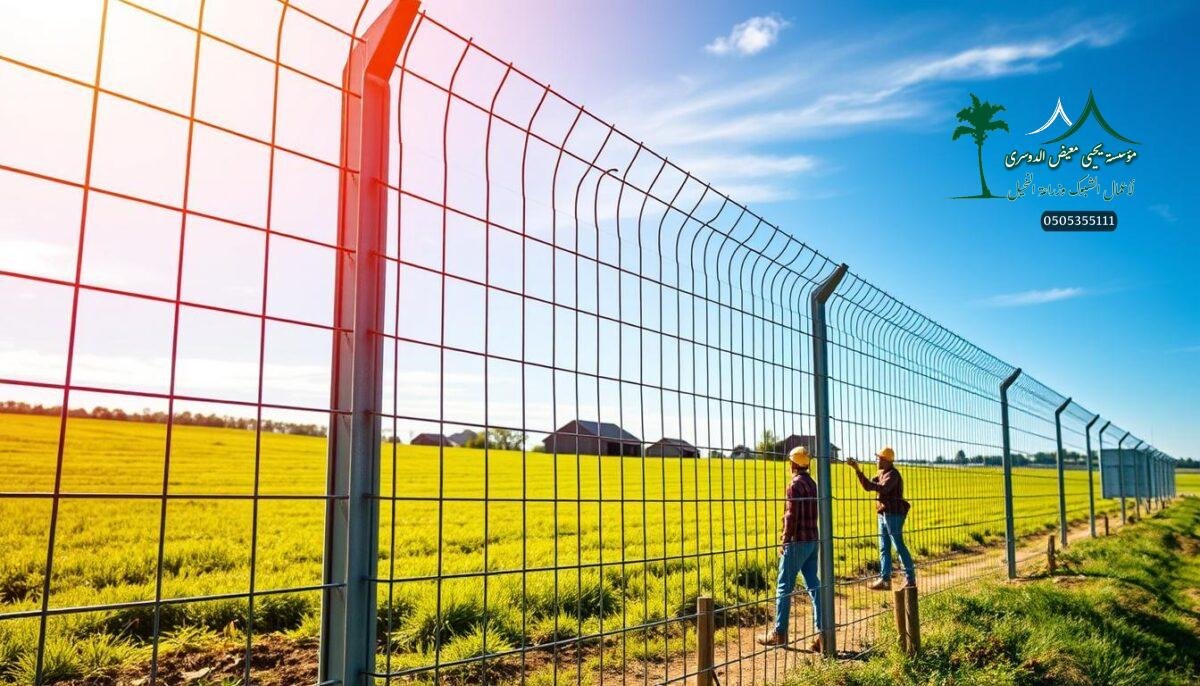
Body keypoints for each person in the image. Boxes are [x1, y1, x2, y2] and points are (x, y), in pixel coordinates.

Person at [758, 446, 825, 651]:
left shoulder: (794, 484)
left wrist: (785, 539)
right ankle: (823, 633)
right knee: (814, 586)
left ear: (793, 463)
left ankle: (779, 633)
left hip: (797, 542)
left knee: (783, 586)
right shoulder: (812, 483)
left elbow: (790, 515)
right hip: (813, 540)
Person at [847, 446, 915, 590]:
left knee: (898, 545)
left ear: (885, 460)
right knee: (884, 547)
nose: (876, 460)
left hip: (894, 514)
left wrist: (858, 470)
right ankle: (885, 580)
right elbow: (868, 485)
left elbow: (881, 488)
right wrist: (857, 469)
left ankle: (910, 579)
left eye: (879, 458)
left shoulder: (893, 474)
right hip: (883, 513)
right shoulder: (882, 472)